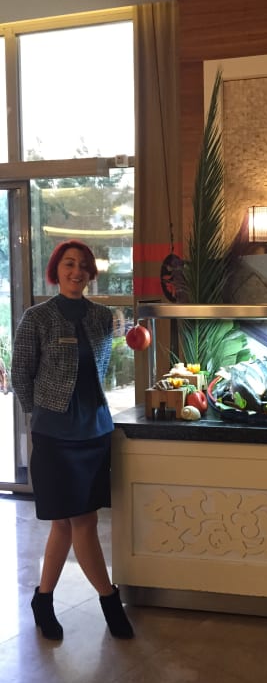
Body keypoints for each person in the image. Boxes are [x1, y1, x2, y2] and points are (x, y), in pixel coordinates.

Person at [11, 240, 134, 641]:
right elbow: (20, 372)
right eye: (69, 264)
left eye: (83, 265)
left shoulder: (101, 316)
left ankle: (43, 599)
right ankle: (110, 601)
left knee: (65, 524)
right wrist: (40, 413)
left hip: (95, 432)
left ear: (90, 273)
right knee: (82, 521)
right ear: (56, 270)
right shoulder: (37, 317)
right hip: (55, 436)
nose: (76, 271)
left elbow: (109, 359)